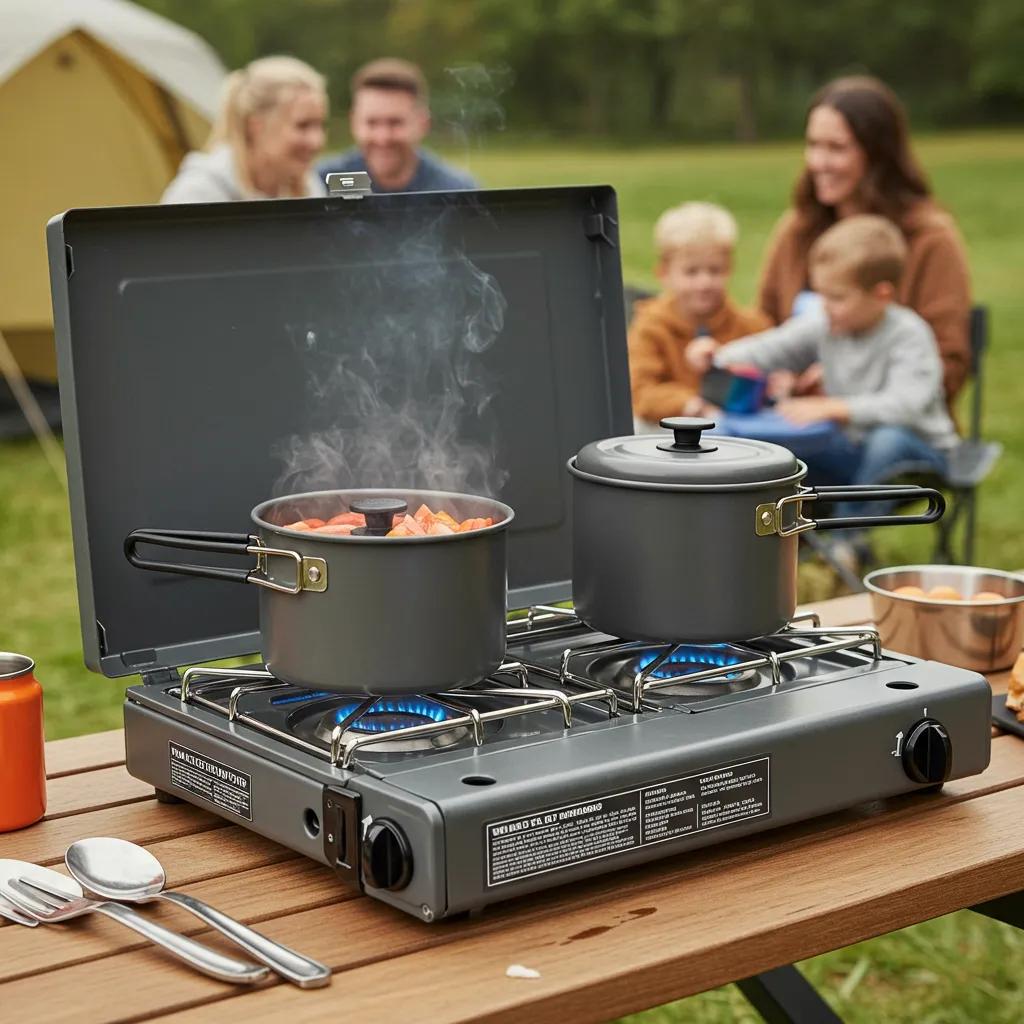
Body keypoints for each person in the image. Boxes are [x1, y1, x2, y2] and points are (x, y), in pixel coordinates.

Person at [688, 215, 958, 563]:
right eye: (820, 294)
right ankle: (764, 542)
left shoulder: (908, 334)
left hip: (918, 453)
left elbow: (907, 404)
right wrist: (719, 356)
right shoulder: (826, 321)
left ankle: (842, 542)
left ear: (882, 294)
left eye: (837, 297)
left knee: (887, 440)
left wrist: (834, 407)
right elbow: (772, 348)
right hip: (852, 447)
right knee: (779, 448)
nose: (824, 305)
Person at [757, 76, 971, 406]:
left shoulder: (930, 238)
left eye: (836, 148)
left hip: (891, 435)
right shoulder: (797, 231)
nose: (818, 163)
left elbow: (949, 368)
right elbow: (763, 327)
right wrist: (778, 378)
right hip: (795, 420)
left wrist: (846, 385)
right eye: (813, 145)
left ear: (878, 155)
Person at [628, 202, 771, 425]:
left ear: (729, 268)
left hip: (738, 434)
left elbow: (772, 376)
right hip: (670, 432)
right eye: (691, 272)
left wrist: (780, 383)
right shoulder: (651, 327)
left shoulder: (751, 326)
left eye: (715, 270)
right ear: (664, 273)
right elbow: (641, 392)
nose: (704, 283)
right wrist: (689, 404)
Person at [162, 56, 327, 204]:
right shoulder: (198, 194)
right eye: (302, 125)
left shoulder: (307, 186)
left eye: (320, 125)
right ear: (256, 125)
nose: (317, 141)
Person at [319, 58, 476, 193]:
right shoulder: (322, 185)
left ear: (423, 123)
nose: (382, 138)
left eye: (395, 123)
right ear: (353, 122)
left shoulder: (456, 191)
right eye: (371, 123)